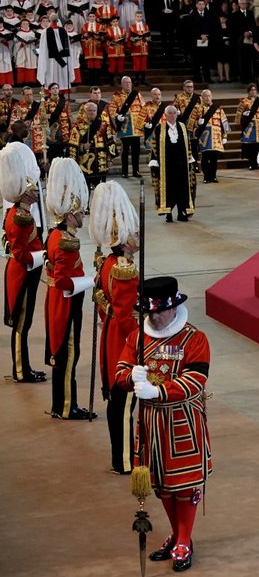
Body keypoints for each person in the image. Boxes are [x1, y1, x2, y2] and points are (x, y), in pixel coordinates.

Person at [114, 276, 212, 573]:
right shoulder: (137, 338)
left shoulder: (193, 339)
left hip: (181, 422)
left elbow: (196, 380)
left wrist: (159, 390)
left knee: (184, 485)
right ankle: (177, 534)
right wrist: (132, 378)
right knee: (161, 486)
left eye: (159, 311)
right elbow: (120, 369)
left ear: (173, 308)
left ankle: (184, 539)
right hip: (149, 424)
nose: (154, 317)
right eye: (149, 312)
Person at [88, 182, 140, 474]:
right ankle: (123, 460)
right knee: (123, 402)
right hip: (123, 340)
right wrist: (141, 340)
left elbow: (101, 298)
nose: (137, 236)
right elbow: (125, 316)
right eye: (133, 233)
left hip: (111, 335)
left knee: (118, 401)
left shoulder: (110, 262)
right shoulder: (124, 267)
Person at [42, 157, 94, 419]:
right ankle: (65, 407)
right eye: (81, 210)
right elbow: (63, 280)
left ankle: (60, 404)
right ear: (71, 213)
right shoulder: (67, 242)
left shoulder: (55, 235)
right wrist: (91, 281)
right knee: (68, 354)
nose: (84, 214)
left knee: (63, 355)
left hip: (56, 299)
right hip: (65, 300)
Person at [2, 142, 46, 384]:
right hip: (21, 273)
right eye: (34, 190)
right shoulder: (20, 217)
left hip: (27, 271)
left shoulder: (23, 213)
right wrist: (44, 256)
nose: (37, 193)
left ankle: (24, 366)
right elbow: (20, 253)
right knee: (21, 324)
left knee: (25, 323)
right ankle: (20, 369)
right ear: (26, 192)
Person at [148, 105, 195, 222]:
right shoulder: (159, 128)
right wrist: (154, 161)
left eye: (174, 113)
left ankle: (181, 212)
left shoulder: (183, 127)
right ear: (165, 115)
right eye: (170, 113)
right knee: (168, 188)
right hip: (166, 165)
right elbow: (154, 145)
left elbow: (188, 144)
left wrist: (190, 158)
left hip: (181, 164)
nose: (172, 115)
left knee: (182, 188)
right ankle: (168, 214)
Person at [69, 100, 115, 190]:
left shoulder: (103, 125)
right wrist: (82, 147)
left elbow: (110, 142)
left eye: (94, 110)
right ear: (85, 112)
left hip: (101, 162)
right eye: (90, 111)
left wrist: (110, 158)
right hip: (86, 164)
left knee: (101, 190)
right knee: (85, 189)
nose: (92, 113)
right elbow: (72, 145)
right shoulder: (78, 127)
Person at [108, 75, 144, 177]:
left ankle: (136, 171)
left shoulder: (137, 95)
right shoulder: (116, 96)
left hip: (136, 128)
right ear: (122, 84)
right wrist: (117, 116)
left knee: (136, 151)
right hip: (125, 128)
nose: (128, 84)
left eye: (129, 82)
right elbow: (111, 110)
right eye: (125, 83)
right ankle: (125, 171)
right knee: (125, 151)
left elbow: (144, 108)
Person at [193, 89, 228, 184]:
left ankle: (213, 176)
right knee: (205, 157)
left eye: (209, 96)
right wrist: (197, 123)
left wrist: (225, 136)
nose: (207, 98)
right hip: (204, 137)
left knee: (214, 158)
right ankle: (206, 176)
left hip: (216, 137)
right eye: (205, 96)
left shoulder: (219, 109)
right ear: (202, 97)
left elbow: (224, 124)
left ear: (211, 97)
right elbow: (192, 125)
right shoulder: (198, 109)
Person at [238, 83, 259, 169]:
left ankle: (257, 162)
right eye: (251, 90)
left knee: (258, 145)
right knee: (250, 146)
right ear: (248, 92)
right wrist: (244, 115)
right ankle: (251, 163)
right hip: (249, 127)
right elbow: (238, 115)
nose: (253, 92)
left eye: (255, 90)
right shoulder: (244, 102)